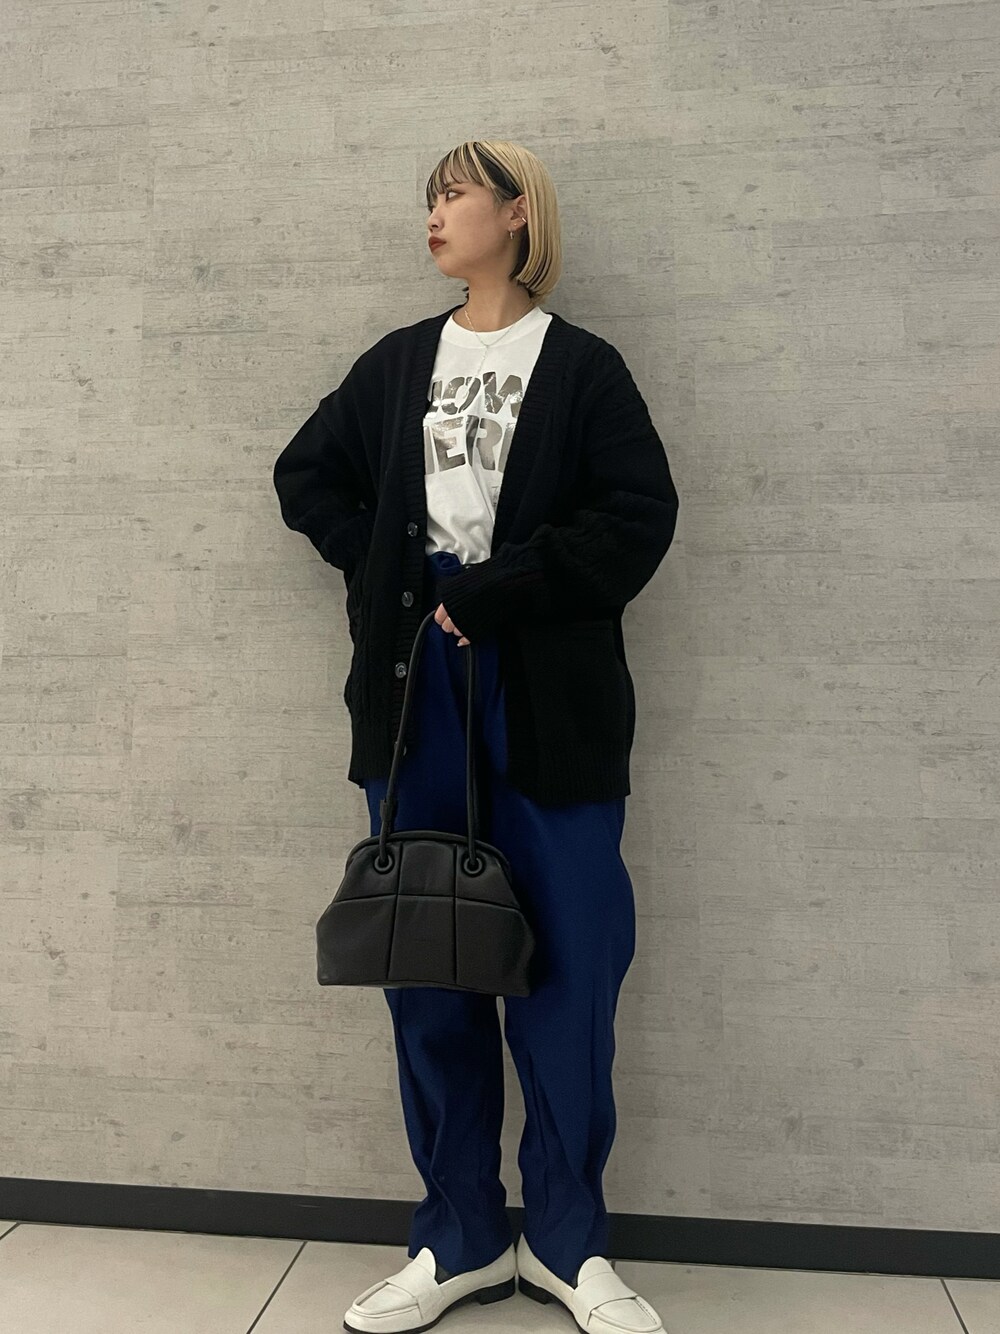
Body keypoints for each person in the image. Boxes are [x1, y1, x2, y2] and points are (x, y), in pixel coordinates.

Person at [273, 139, 678, 1334]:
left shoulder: (583, 367)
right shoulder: (399, 363)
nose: (434, 213)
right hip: (415, 698)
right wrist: (385, 573)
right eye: (430, 197)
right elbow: (306, 475)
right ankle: (457, 1234)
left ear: (516, 214)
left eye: (454, 193)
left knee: (570, 961)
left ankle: (565, 1239)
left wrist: (499, 588)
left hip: (550, 695)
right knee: (428, 953)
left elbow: (637, 517)